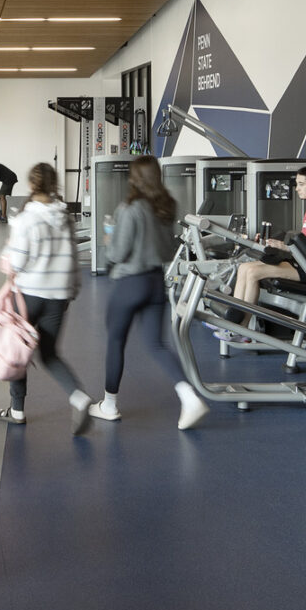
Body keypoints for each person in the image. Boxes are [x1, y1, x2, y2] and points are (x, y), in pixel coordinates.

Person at [90, 157, 207, 429]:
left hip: (130, 283)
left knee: (116, 341)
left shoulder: (129, 208)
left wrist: (109, 240)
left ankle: (109, 405)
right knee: (156, 344)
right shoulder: (167, 207)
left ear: (135, 179)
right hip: (156, 282)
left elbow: (118, 253)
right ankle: (189, 398)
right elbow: (168, 251)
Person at [0, 162, 94, 434]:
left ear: (30, 185)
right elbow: (74, 259)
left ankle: (17, 411)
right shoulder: (66, 217)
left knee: (18, 349)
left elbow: (16, 261)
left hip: (29, 293)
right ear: (54, 185)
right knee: (50, 353)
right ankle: (79, 396)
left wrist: (6, 258)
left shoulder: (26, 218)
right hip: (59, 295)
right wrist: (72, 290)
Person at [230, 165, 306, 310]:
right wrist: (278, 244)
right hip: (299, 262)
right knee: (244, 267)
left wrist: (284, 247)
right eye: (297, 184)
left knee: (253, 272)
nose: (296, 189)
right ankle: (233, 322)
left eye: (301, 184)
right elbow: (303, 245)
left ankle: (242, 327)